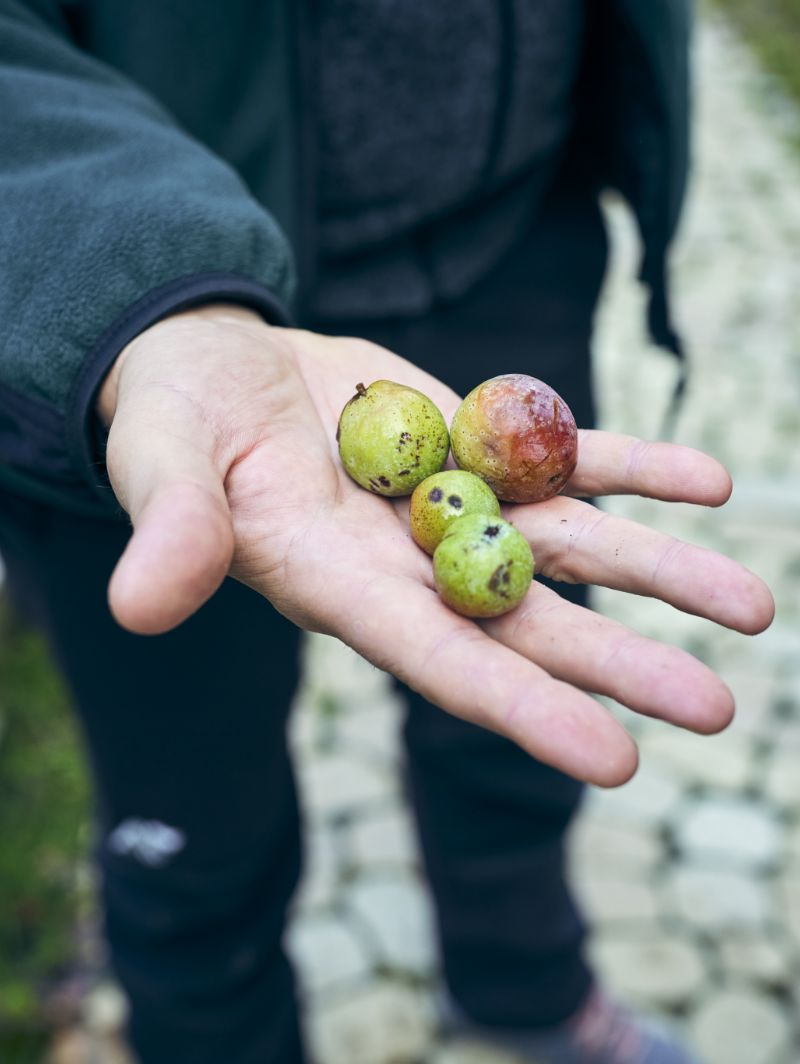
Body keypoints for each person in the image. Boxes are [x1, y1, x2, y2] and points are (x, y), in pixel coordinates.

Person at [0, 2, 774, 1063]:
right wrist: (138, 280)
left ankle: (521, 978)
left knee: (516, 717)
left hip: (507, 234)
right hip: (126, 315)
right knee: (190, 820)